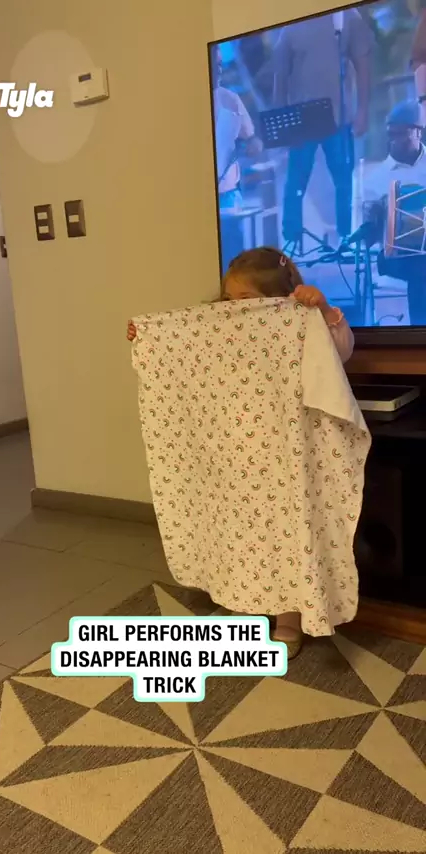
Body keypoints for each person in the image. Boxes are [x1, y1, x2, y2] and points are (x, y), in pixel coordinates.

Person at [127, 247, 355, 657]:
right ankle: (243, 594)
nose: (235, 309)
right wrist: (150, 340)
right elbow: (183, 353)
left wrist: (322, 312)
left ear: (277, 298)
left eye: (246, 301)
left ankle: (289, 615)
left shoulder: (298, 322)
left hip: (283, 453)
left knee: (286, 529)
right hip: (231, 454)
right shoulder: (217, 329)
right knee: (238, 528)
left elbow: (339, 353)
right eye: (229, 300)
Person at [274, 9, 373, 242]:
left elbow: (363, 65)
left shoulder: (347, 16)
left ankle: (347, 238)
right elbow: (280, 76)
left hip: (339, 117)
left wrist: (363, 110)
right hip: (302, 120)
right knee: (295, 182)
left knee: (344, 182)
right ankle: (291, 240)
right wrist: (281, 123)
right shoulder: (290, 23)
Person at [362, 100, 426, 325]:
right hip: (397, 256)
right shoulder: (377, 178)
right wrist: (374, 219)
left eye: (401, 134)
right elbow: (368, 238)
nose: (394, 141)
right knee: (421, 269)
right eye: (390, 135)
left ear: (418, 132)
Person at [212, 46, 263, 210]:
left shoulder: (230, 99)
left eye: (220, 64)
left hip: (227, 194)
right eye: (213, 65)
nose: (219, 70)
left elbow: (252, 140)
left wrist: (252, 144)